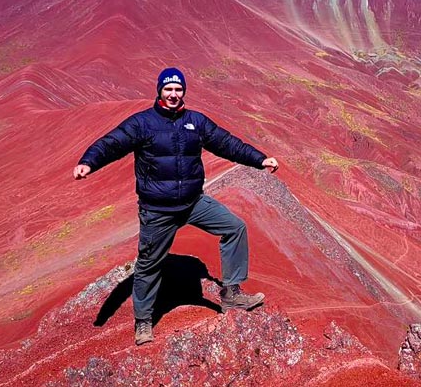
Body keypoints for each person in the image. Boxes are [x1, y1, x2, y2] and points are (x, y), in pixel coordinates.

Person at [73, 67, 278, 345]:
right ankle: (143, 321)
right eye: (168, 89)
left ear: (183, 92)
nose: (173, 94)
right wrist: (89, 162)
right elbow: (112, 143)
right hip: (158, 210)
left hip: (193, 203)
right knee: (148, 265)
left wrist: (259, 159)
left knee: (234, 228)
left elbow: (227, 144)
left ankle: (231, 294)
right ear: (159, 91)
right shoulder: (142, 123)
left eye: (178, 89)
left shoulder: (196, 121)